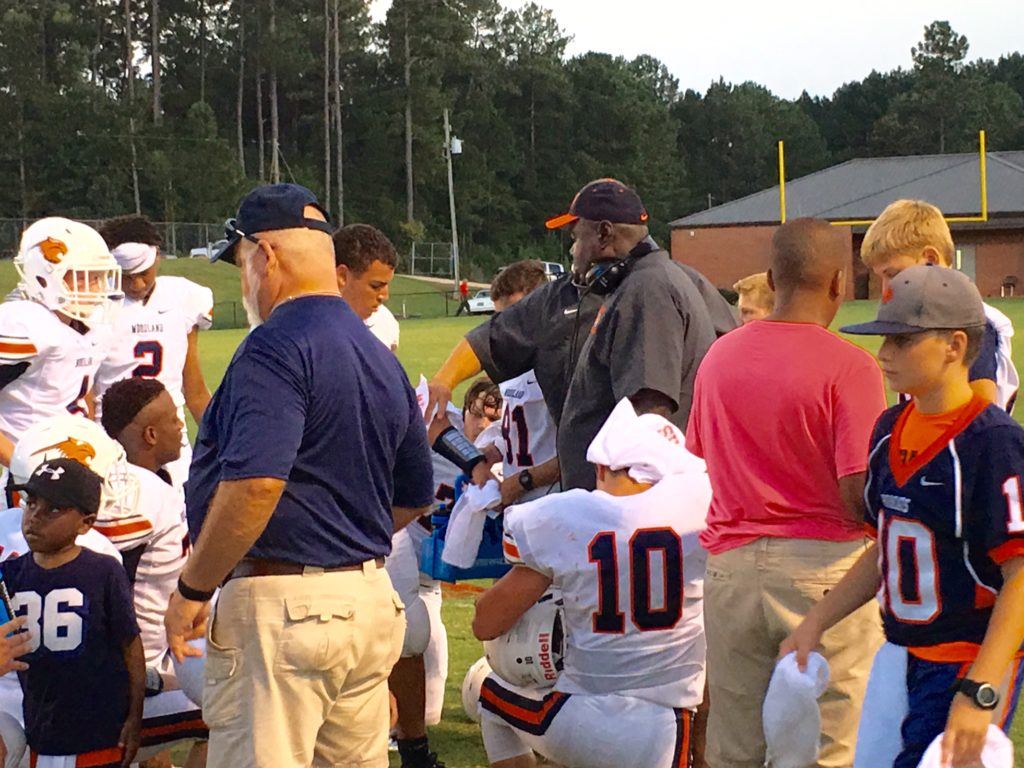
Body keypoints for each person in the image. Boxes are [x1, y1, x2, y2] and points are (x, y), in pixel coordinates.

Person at [164, 183, 435, 768]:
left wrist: (193, 587)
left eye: (241, 263)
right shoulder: (379, 355)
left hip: (283, 612)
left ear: (266, 256)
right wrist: (339, 546)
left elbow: (257, 484)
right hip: (366, 600)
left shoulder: (273, 346)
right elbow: (415, 494)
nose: (245, 281)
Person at [783, 265, 1024, 768]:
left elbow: (1020, 574)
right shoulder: (890, 428)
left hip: (963, 655)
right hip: (899, 652)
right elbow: (886, 551)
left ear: (955, 346)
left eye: (902, 341)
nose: (883, 354)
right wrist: (815, 622)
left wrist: (980, 686)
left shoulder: (992, 442)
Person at [686, 218, 887, 768]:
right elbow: (855, 491)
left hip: (732, 566)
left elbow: (702, 454)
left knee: (735, 748)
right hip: (826, 568)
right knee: (829, 749)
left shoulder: (720, 357)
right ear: (839, 283)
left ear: (772, 279)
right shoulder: (852, 366)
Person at [427, 179, 728, 491]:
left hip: (631, 499)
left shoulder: (647, 290)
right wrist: (443, 382)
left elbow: (648, 416)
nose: (573, 248)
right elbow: (491, 338)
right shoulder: (650, 281)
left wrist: (616, 505)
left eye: (576, 236)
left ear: (604, 233)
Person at [471, 398, 711, 768]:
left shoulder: (568, 516)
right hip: (670, 730)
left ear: (602, 466)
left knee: (483, 687)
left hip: (578, 717)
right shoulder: (703, 512)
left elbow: (485, 623)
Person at [334, 223, 444, 768]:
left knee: (407, 636)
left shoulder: (378, 328)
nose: (383, 298)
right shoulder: (301, 332)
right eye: (375, 284)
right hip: (331, 517)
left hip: (378, 513)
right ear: (341, 276)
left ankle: (415, 748)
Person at [2, 458, 144, 768]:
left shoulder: (102, 571)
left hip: (99, 734)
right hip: (40, 730)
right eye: (31, 502)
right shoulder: (8, 575)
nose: (35, 516)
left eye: (54, 509)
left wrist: (135, 717)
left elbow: (130, 646)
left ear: (86, 523)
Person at [100, 378, 208, 768]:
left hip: (160, 653)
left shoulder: (155, 481)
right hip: (134, 675)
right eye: (175, 421)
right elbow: (108, 590)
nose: (183, 427)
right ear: (149, 434)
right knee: (238, 708)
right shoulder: (128, 496)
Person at [860, 199, 1018, 411]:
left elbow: (978, 418)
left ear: (931, 259)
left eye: (893, 274)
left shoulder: (970, 320)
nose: (887, 288)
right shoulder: (923, 313)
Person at [93, 215, 215, 489]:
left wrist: (220, 439)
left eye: (143, 273)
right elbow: (86, 391)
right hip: (112, 440)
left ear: (157, 257)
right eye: (126, 277)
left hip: (170, 441)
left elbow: (194, 388)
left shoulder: (183, 297)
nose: (136, 285)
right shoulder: (94, 306)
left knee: (182, 522)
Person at [0, 217, 121, 467]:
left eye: (98, 277)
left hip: (73, 461)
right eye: (83, 277)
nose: (96, 288)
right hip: (32, 473)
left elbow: (79, 393)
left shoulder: (94, 325)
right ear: (44, 276)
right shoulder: (25, 323)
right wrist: (20, 464)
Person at [488, 261, 559, 505]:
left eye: (515, 316)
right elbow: (525, 430)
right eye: (501, 318)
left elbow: (579, 449)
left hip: (550, 506)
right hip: (518, 509)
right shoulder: (512, 360)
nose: (508, 328)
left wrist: (524, 481)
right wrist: (494, 451)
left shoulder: (562, 364)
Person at [333, 224, 401, 351]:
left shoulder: (385, 323)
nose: (385, 296)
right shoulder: (307, 331)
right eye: (375, 286)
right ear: (342, 276)